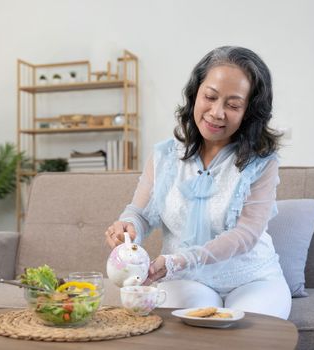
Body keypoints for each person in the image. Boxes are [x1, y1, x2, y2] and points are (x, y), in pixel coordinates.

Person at [104, 46, 291, 319]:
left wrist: (179, 260)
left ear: (249, 111)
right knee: (188, 330)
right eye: (210, 97)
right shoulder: (164, 155)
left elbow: (246, 235)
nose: (216, 112)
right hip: (186, 280)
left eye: (233, 105)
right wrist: (128, 229)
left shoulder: (262, 162)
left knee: (248, 334)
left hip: (253, 279)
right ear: (195, 94)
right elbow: (140, 214)